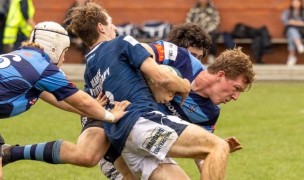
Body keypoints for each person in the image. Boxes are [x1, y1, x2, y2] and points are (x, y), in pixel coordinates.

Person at [66, 2, 230, 180]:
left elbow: (91, 110)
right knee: (218, 146)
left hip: (117, 143)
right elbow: (162, 77)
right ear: (101, 28)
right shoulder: (122, 42)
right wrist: (183, 86)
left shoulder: (90, 70)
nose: (114, 27)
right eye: (110, 22)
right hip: (141, 122)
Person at [99, 23, 254, 179]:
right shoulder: (181, 58)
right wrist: (156, 82)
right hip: (117, 135)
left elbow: (200, 159)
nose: (235, 97)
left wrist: (214, 155)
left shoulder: (210, 113)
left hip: (149, 141)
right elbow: (137, 51)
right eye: (236, 88)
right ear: (221, 75)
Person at [0, 21, 130, 177]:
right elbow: (80, 100)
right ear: (55, 48)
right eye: (65, 51)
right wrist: (110, 116)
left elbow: (64, 100)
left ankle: (9, 152)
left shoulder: (24, 60)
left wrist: (93, 109)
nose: (64, 58)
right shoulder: (43, 67)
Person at [185, 0, 220, 64]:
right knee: (191, 36)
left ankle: (211, 56)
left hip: (209, 30)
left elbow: (216, 21)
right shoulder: (194, 9)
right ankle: (193, 56)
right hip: (196, 29)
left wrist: (208, 30)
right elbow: (188, 20)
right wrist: (194, 28)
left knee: (213, 35)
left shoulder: (212, 9)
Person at [281, 0, 304, 66]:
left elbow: (290, 22)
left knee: (291, 36)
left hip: (302, 32)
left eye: (297, 2)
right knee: (292, 31)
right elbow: (285, 21)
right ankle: (299, 45)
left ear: (300, 3)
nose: (295, 4)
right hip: (291, 31)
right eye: (294, 2)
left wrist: (297, 23)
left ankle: (291, 57)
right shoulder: (287, 12)